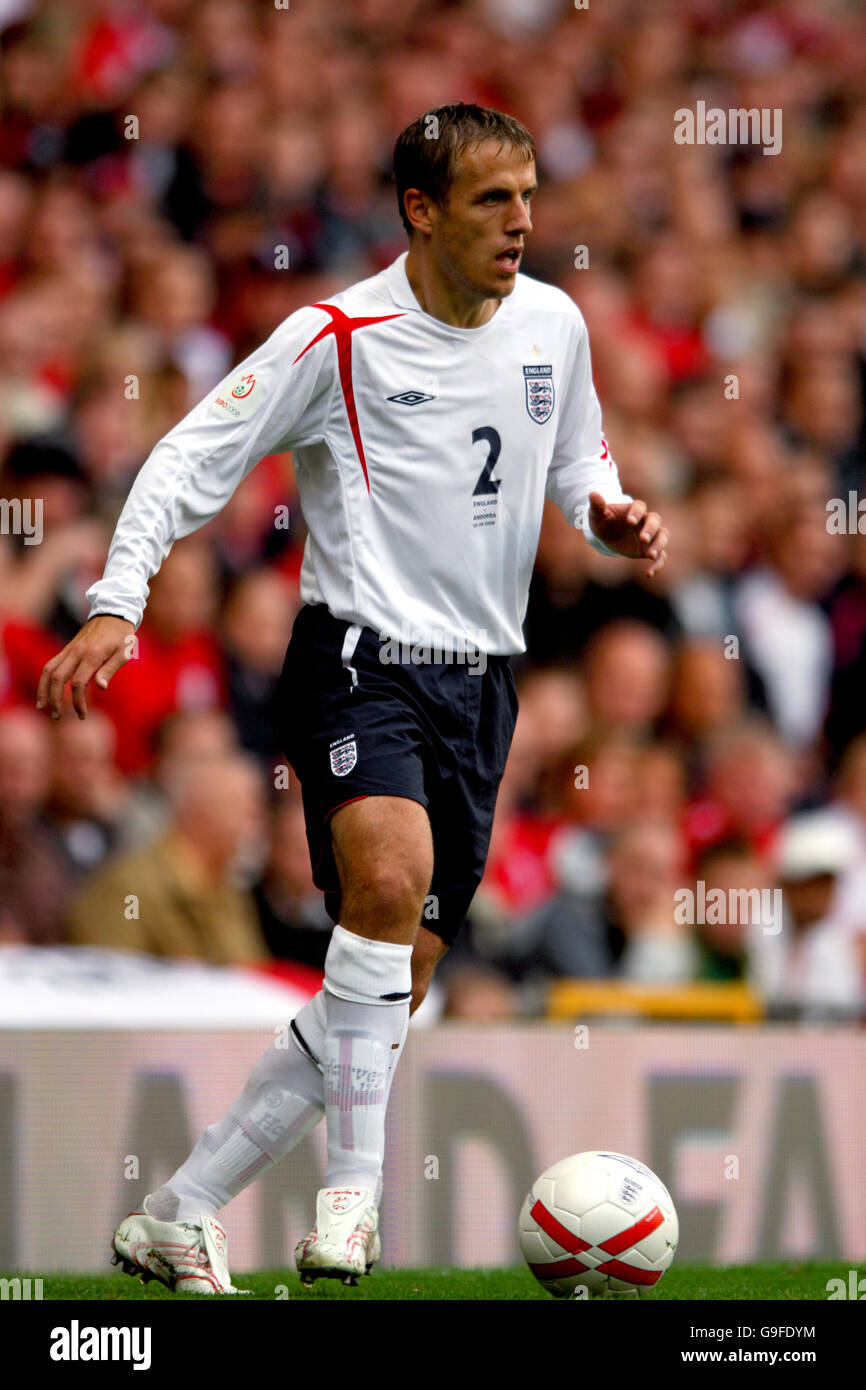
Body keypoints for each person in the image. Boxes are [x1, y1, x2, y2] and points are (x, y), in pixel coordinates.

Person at [36, 104, 668, 1294]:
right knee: (382, 885)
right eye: (491, 199)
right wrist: (119, 598)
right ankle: (352, 1204)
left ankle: (179, 1212)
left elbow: (577, 459)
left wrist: (606, 513)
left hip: (482, 690)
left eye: (528, 194)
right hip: (356, 661)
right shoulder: (337, 336)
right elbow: (186, 456)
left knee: (380, 992)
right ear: (419, 211)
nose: (521, 220)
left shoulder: (554, 324)